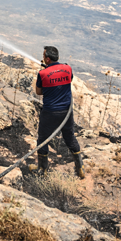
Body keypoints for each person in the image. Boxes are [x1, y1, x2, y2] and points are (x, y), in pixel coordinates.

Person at [34, 45, 84, 179]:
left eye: (44, 56)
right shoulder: (68, 68)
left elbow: (38, 92)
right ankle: (80, 168)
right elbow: (68, 80)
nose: (43, 58)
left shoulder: (42, 74)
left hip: (50, 112)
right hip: (66, 111)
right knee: (70, 137)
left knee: (43, 139)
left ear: (48, 59)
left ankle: (42, 170)